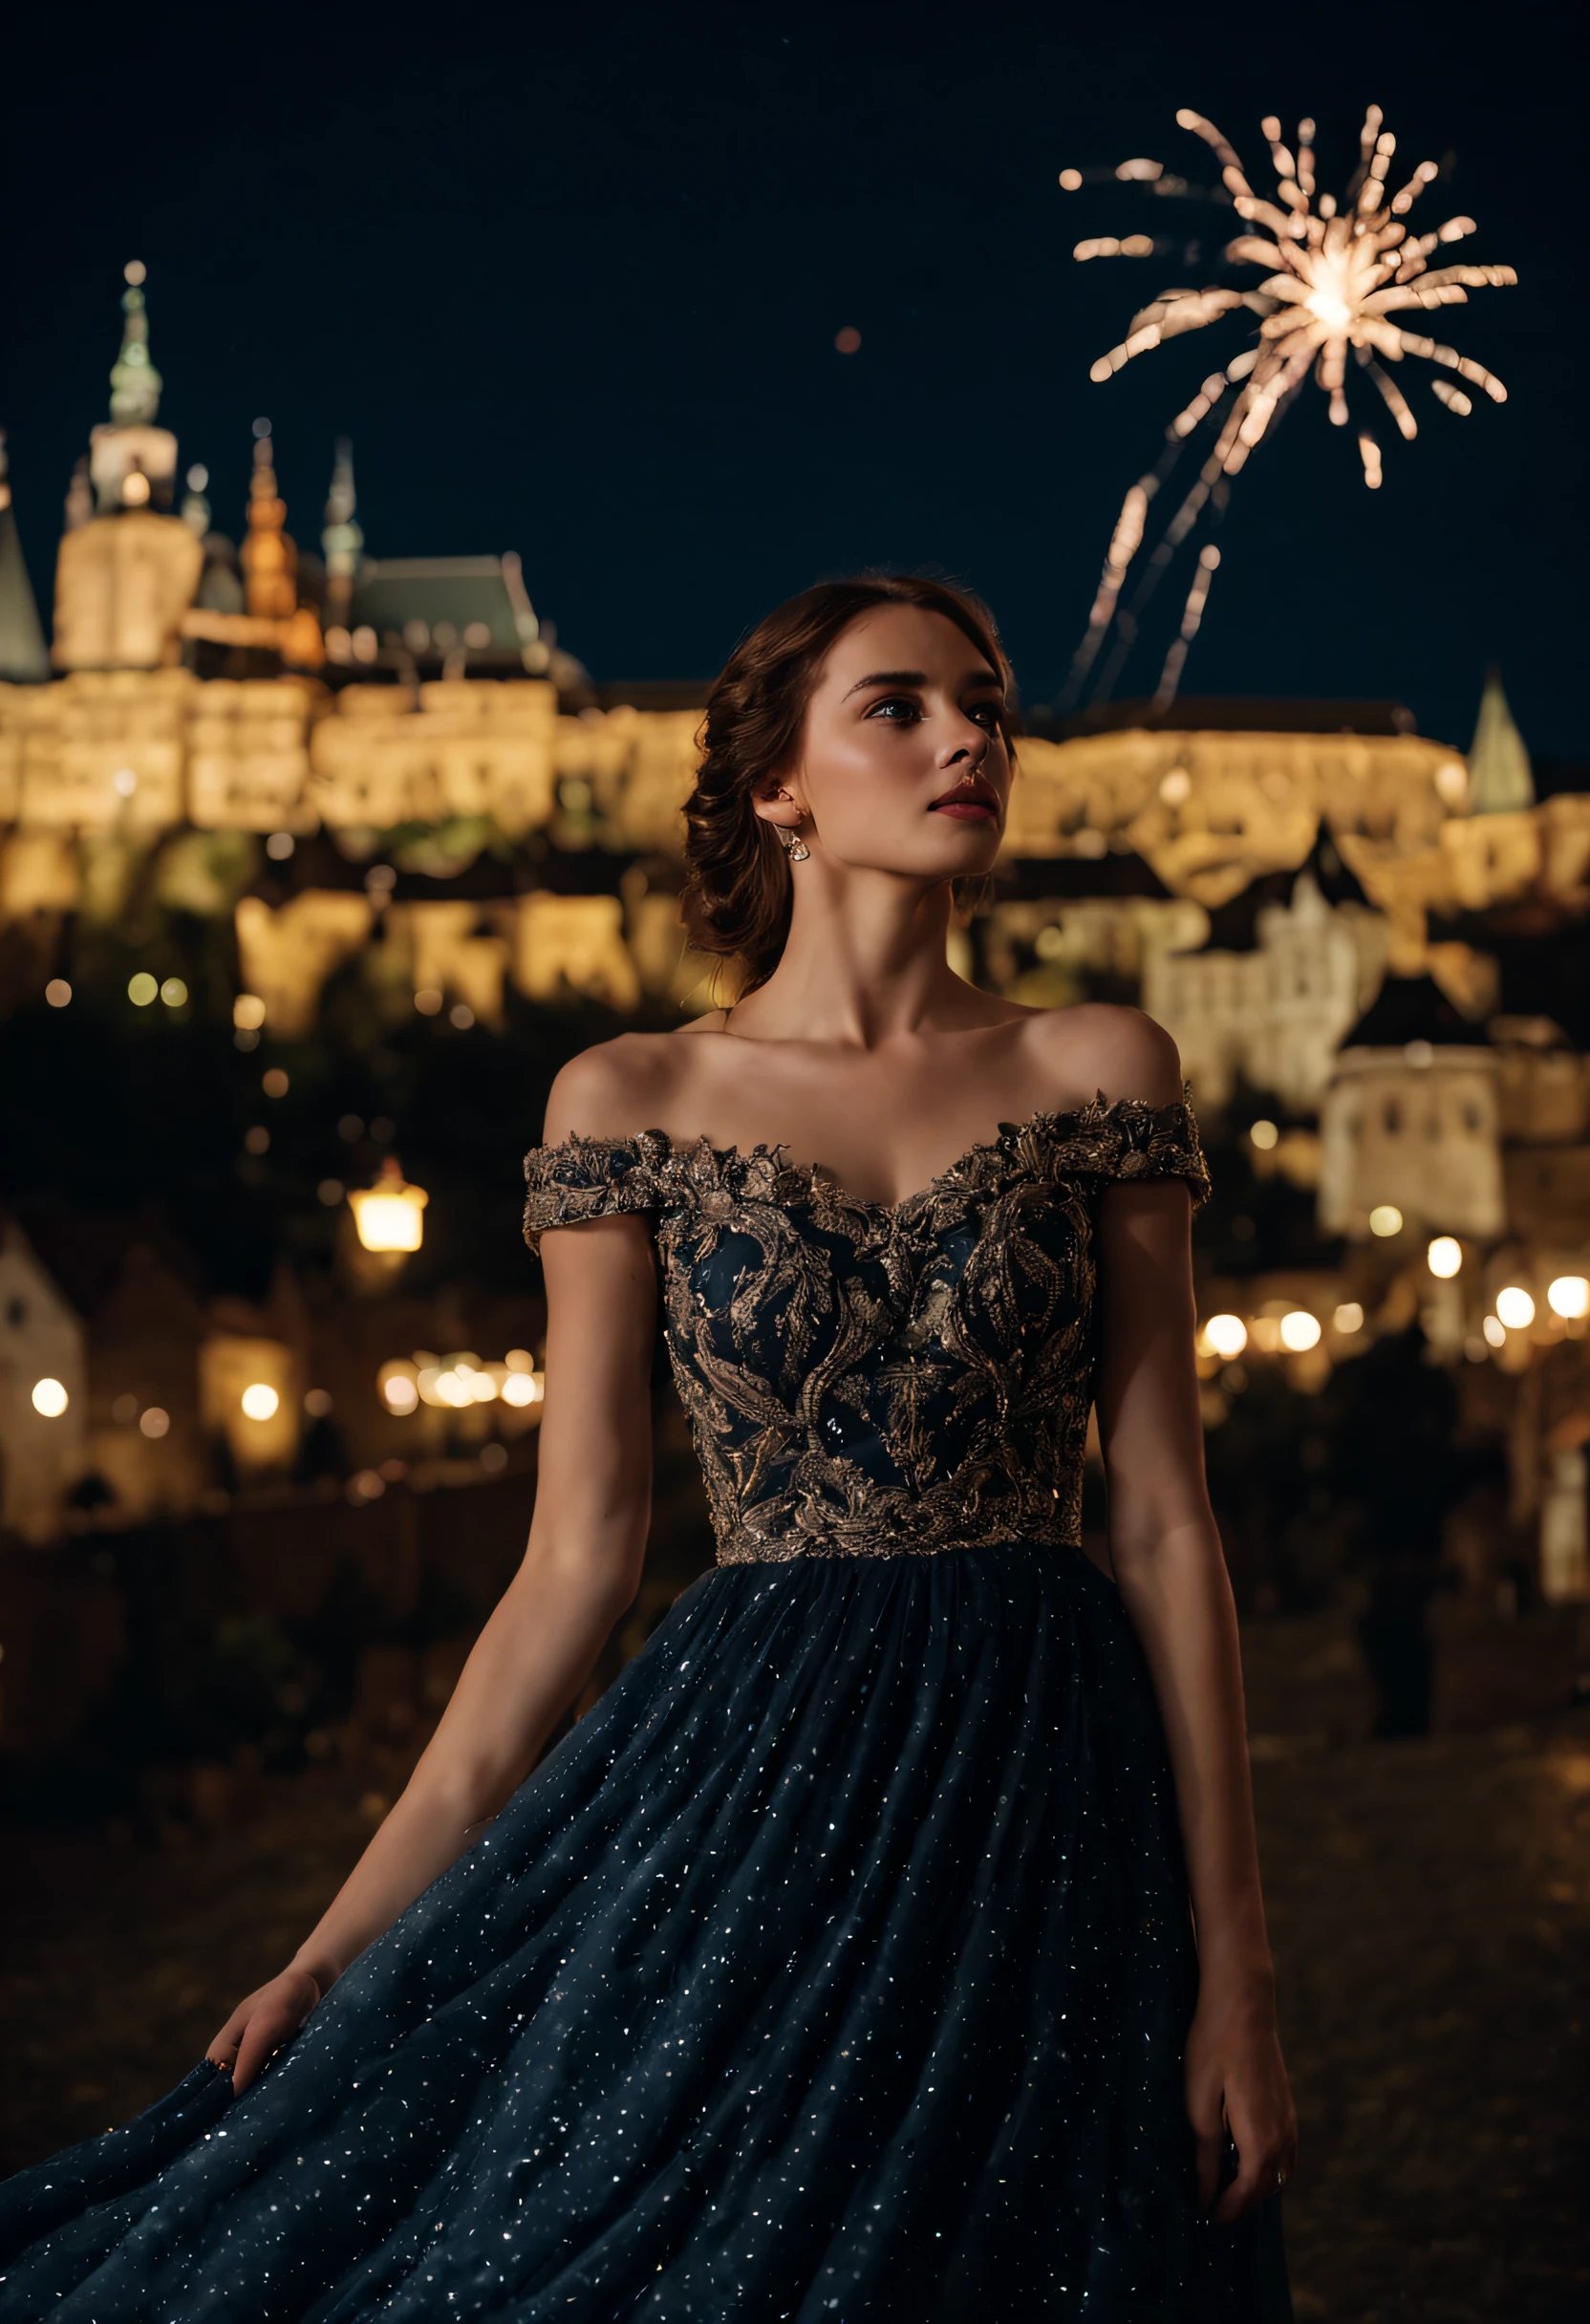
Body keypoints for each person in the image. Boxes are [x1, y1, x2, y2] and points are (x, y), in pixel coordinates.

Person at [0, 574, 1295, 2320]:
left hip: (1047, 1783)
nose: (968, 737)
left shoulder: (1102, 1067)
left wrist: (1239, 1972)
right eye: (899, 706)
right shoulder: (631, 1100)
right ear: (781, 785)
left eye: (987, 705)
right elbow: (572, 1568)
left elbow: (1161, 1527)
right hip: (751, 1780)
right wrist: (339, 1944)